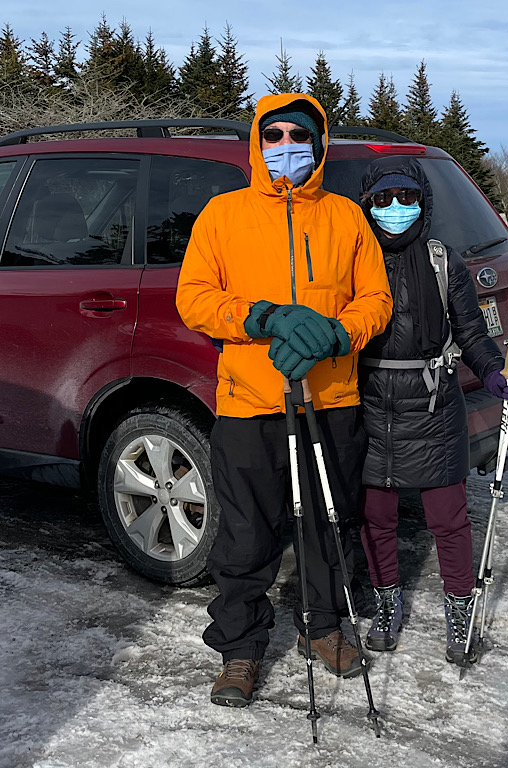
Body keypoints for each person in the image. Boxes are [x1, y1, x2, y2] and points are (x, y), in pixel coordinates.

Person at [175, 93, 392, 708]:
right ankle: (240, 648)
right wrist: (262, 317)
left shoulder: (346, 217)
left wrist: (337, 331)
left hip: (331, 397)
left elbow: (375, 299)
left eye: (300, 134)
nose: (286, 146)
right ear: (256, 143)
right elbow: (194, 298)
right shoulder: (222, 215)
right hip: (250, 401)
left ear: (319, 145)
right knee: (245, 535)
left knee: (328, 524)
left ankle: (323, 627)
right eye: (273, 136)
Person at [355, 156, 508, 664]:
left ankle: (460, 608)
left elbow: (472, 334)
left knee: (449, 519)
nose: (395, 209)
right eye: (383, 200)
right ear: (367, 204)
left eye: (406, 199)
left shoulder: (443, 261)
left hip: (432, 401)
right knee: (376, 518)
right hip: (370, 402)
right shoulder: (354, 257)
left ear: (422, 202)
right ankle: (387, 603)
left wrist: (496, 374)